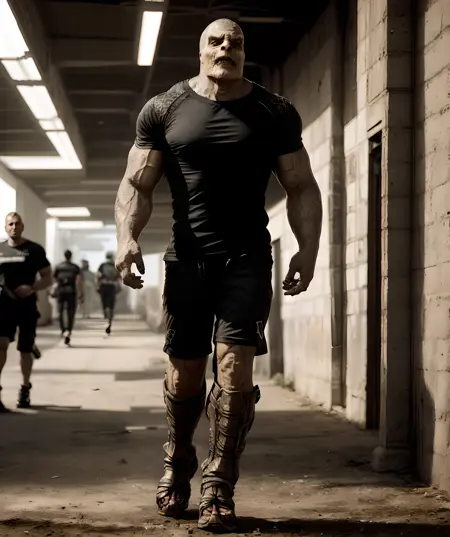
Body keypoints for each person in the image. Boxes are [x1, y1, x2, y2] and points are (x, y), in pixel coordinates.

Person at [114, 18, 323, 532]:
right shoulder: (164, 108)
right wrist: (126, 237)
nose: (227, 47)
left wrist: (309, 249)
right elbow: (137, 184)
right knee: (186, 371)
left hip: (247, 259)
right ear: (201, 50)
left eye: (236, 42)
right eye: (216, 41)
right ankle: (178, 456)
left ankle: (218, 483)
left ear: (244, 52)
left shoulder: (274, 111)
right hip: (186, 260)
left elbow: (301, 184)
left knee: (234, 369)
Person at [0, 212, 52, 411]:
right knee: (1, 344)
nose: (14, 227)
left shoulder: (34, 250)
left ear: (22, 226)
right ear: (6, 228)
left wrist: (32, 288)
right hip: (3, 305)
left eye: (17, 224)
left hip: (27, 305)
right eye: (10, 224)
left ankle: (24, 387)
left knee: (25, 348)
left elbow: (47, 277)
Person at [53, 250, 84, 346]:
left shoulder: (58, 266)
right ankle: (69, 331)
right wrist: (81, 293)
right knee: (71, 312)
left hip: (61, 291)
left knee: (60, 311)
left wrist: (53, 290)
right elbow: (79, 281)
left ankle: (63, 330)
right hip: (71, 291)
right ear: (71, 256)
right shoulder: (75, 267)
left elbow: (54, 280)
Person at [96, 252, 120, 334]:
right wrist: (118, 287)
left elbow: (99, 276)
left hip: (104, 286)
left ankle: (106, 318)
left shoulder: (102, 265)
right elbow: (118, 278)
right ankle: (109, 321)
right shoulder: (115, 266)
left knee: (105, 304)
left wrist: (97, 286)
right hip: (112, 287)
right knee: (111, 305)